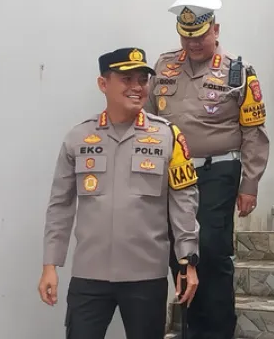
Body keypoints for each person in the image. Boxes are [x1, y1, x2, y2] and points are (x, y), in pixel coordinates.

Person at [38, 47, 200, 339]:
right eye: (126, 79)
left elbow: (184, 203)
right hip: (89, 274)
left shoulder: (168, 136)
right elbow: (60, 205)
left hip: (145, 275)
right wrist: (50, 264)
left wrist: (187, 260)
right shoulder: (78, 138)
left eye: (142, 79)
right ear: (103, 84)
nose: (137, 87)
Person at [145, 0, 270, 339]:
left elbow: (254, 132)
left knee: (211, 251)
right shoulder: (163, 66)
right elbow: (149, 119)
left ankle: (217, 331)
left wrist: (250, 185)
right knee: (179, 252)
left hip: (218, 171)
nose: (193, 43)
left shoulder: (237, 72)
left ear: (215, 29)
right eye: (186, 35)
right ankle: (192, 329)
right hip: (173, 176)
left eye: (199, 35)